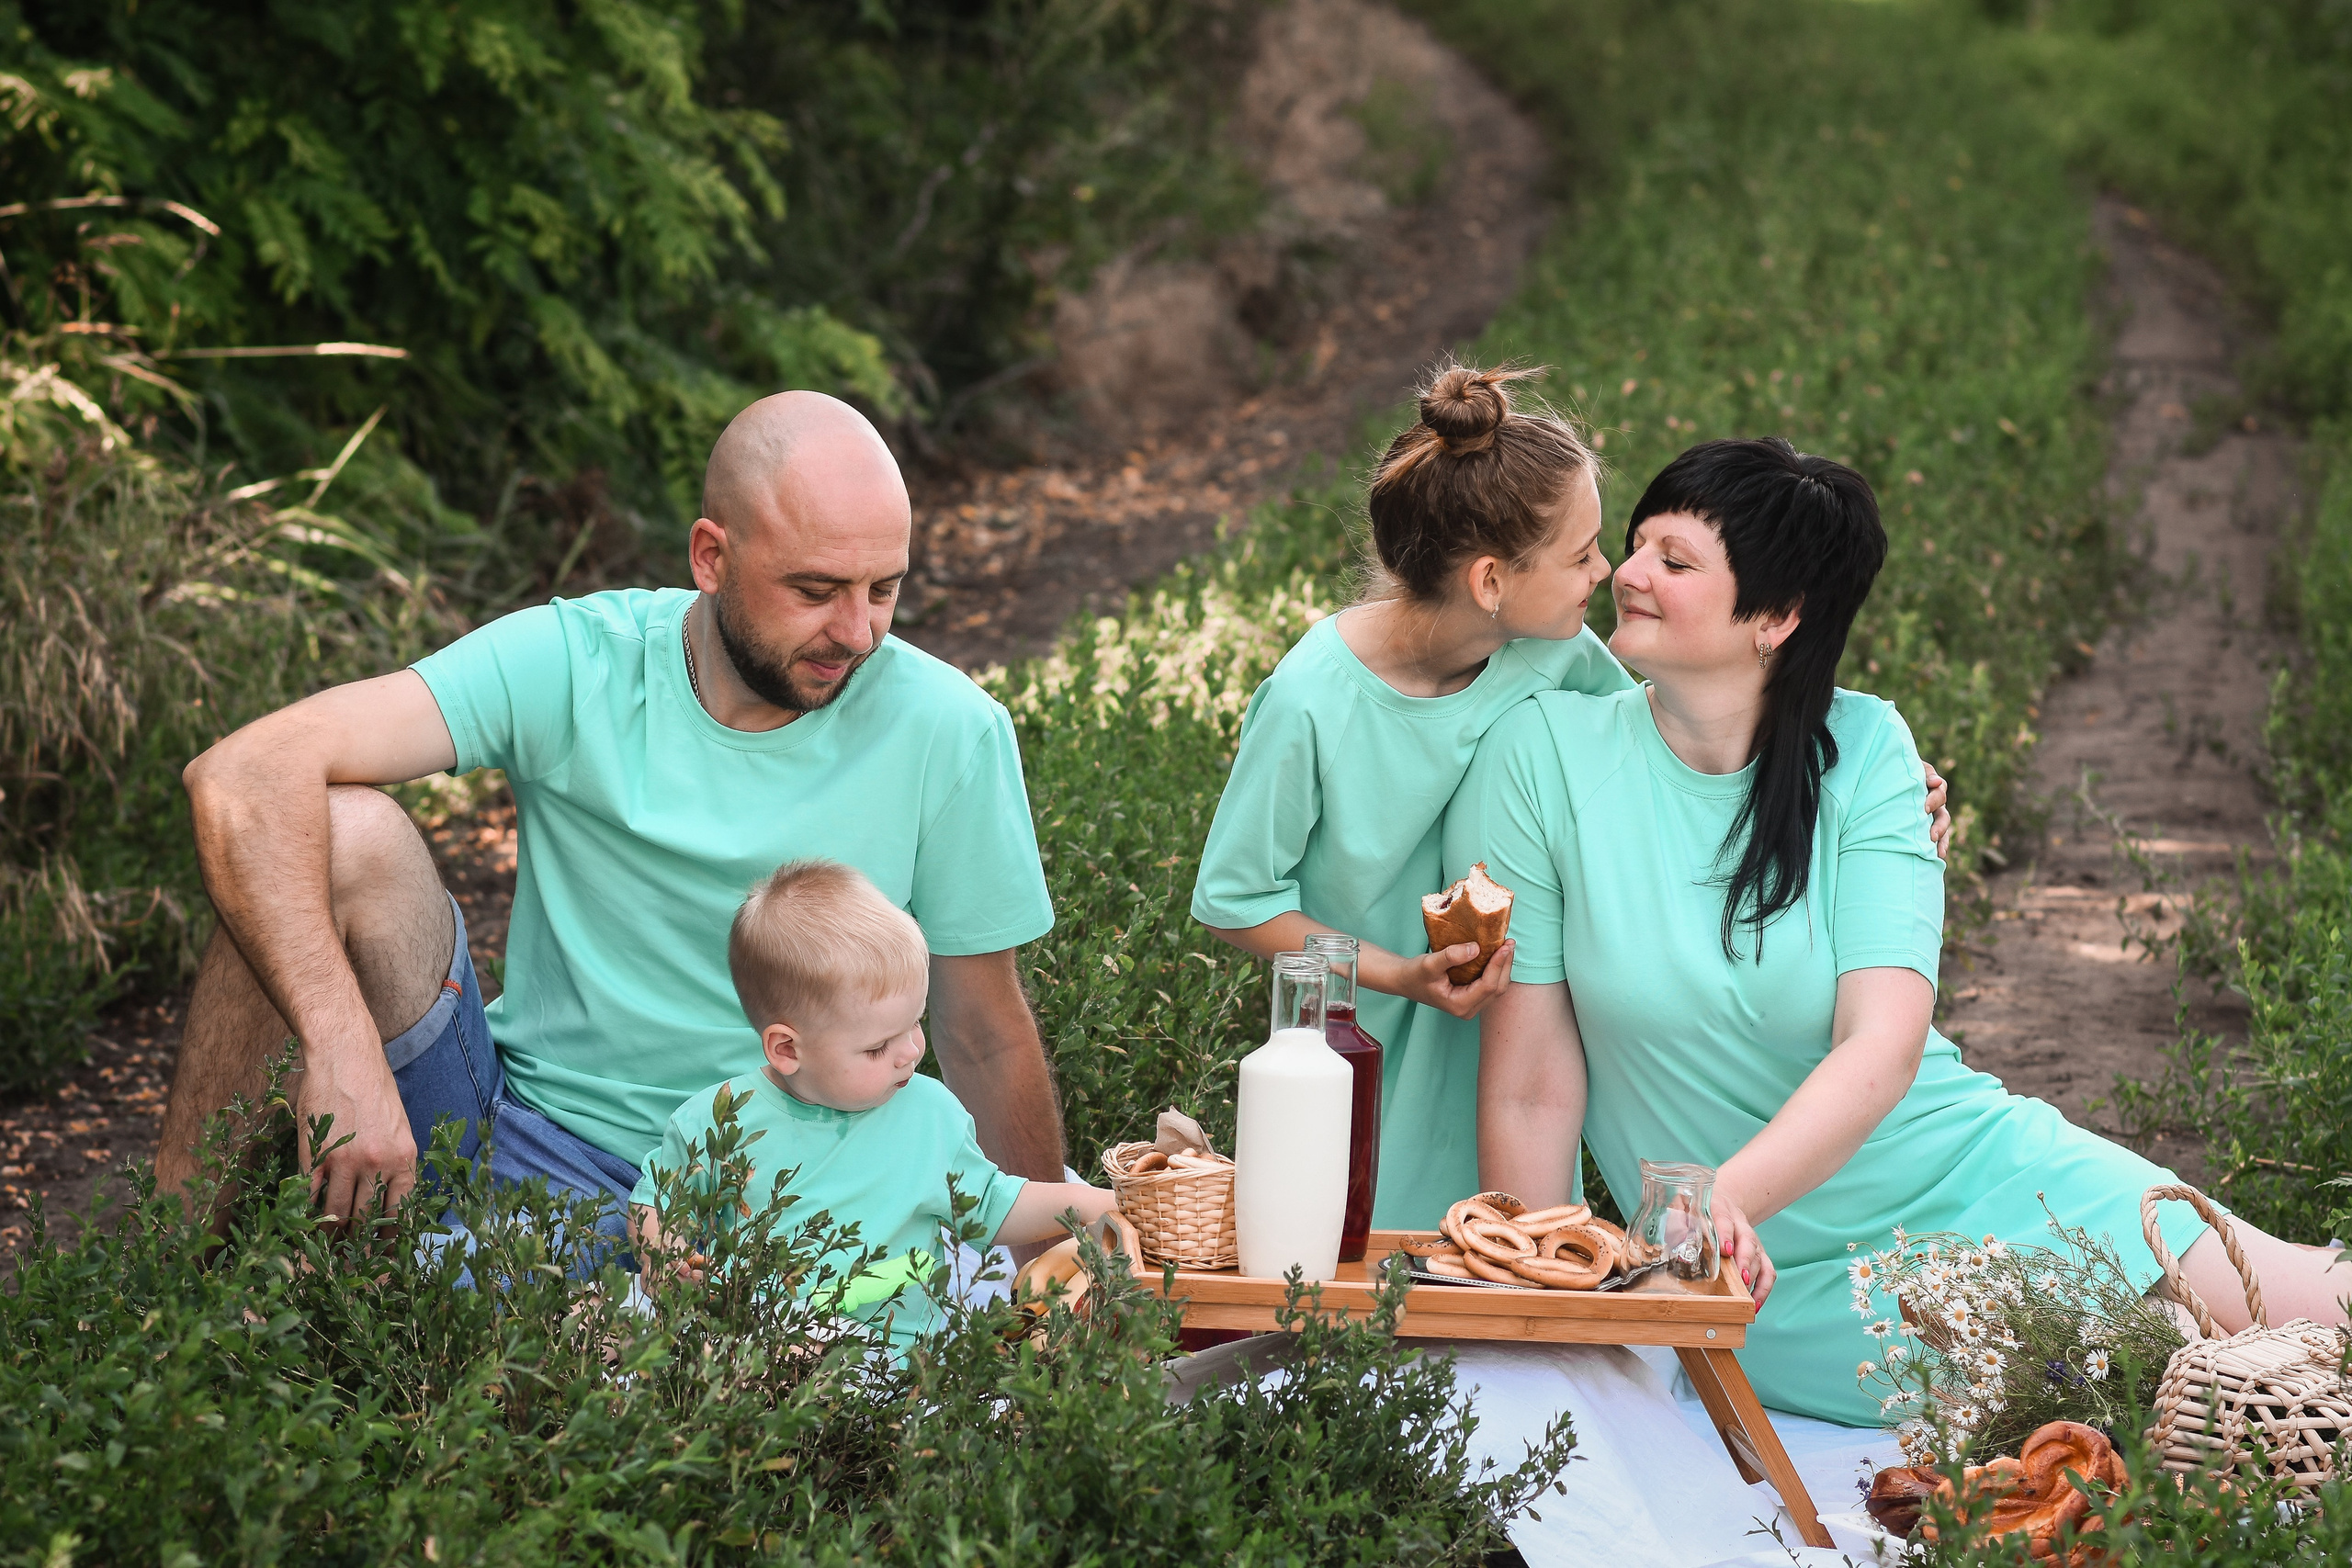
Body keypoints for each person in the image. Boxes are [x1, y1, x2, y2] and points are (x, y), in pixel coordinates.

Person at [1453, 436, 2348, 1425]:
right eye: (1634, 547)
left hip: (1978, 1182)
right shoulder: (1544, 757)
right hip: (1774, 1287)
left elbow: (1881, 1046)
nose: (1627, 574)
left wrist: (1716, 1203)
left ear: (1778, 617)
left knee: (2318, 1321)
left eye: (1674, 560)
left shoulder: (1869, 750)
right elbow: (1532, 1087)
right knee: (2168, 1407)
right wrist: (1544, 1315)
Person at [157, 391, 1066, 1259]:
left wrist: (1046, 1277)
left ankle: (439, 1277)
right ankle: (164, 1275)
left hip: (786, 1196)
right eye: (816, 590)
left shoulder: (949, 730)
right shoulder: (579, 662)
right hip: (524, 1141)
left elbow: (983, 1032)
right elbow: (240, 775)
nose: (859, 632)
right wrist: (341, 1049)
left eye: (883, 589)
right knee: (331, 835)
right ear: (711, 557)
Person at [1191, 365, 1949, 1227]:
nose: (1609, 571)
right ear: (1491, 583)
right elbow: (1235, 899)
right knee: (1363, 1239)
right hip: (1376, 1026)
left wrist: (1876, 782)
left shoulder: (1555, 652)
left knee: (1502, 1222)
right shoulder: (1310, 700)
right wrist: (1402, 975)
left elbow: (1694, 720)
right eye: (1583, 554)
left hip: (1508, 1008)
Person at [631, 861, 1116, 1339]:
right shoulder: (723, 1122)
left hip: (897, 1359)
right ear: (787, 1049)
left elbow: (991, 1204)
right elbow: (654, 1205)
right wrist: (665, 1255)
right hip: (762, 1348)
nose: (911, 1052)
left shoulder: (930, 1115)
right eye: (878, 1047)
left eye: (915, 1023)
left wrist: (1090, 1202)